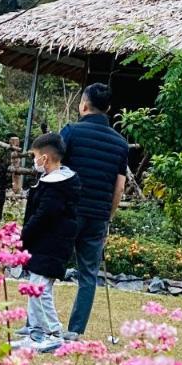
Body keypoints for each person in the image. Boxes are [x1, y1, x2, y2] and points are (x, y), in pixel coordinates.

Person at [59, 83, 130, 339]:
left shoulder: (71, 132)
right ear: (108, 109)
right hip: (98, 216)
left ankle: (39, 324)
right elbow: (119, 187)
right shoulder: (121, 144)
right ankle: (75, 331)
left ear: (84, 105)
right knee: (88, 276)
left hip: (69, 213)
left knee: (49, 264)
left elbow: (55, 169)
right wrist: (108, 217)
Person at [13, 133, 81, 354]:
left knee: (40, 290)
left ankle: (53, 333)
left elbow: (42, 217)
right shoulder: (50, 182)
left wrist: (22, 237)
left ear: (45, 158)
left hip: (52, 245)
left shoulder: (58, 186)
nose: (34, 161)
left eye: (34, 156)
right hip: (42, 245)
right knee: (35, 287)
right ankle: (35, 332)